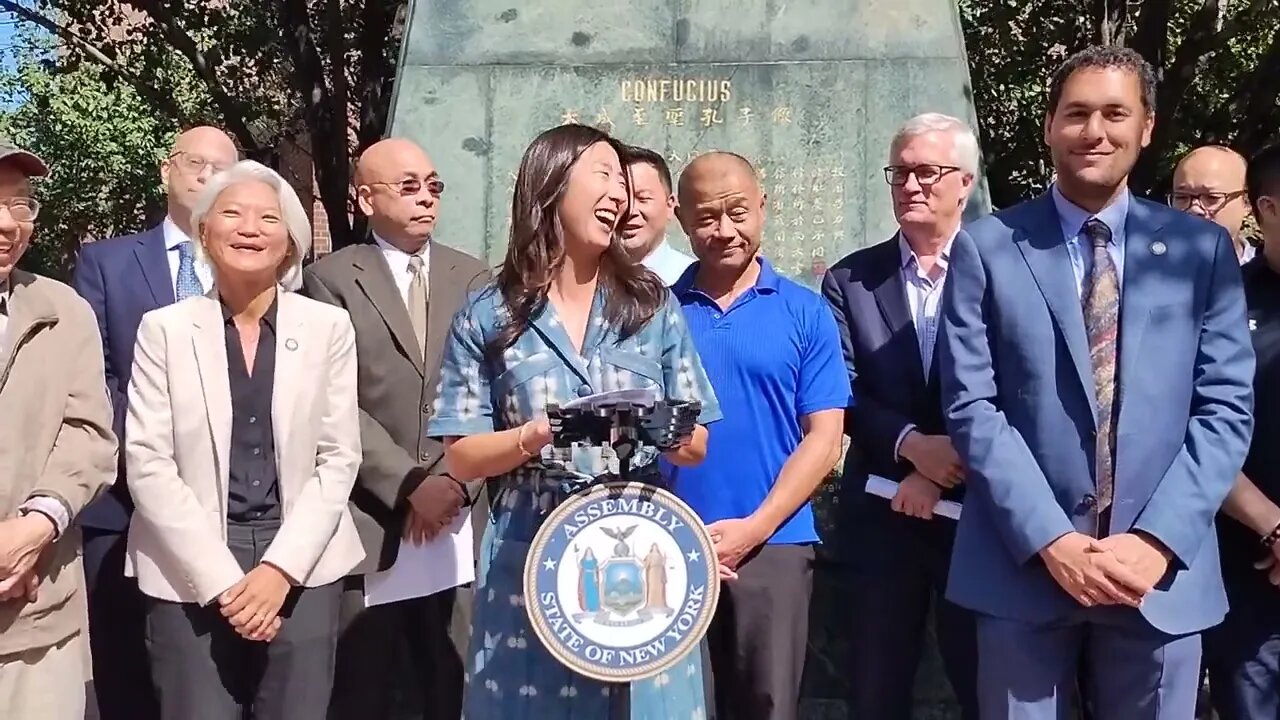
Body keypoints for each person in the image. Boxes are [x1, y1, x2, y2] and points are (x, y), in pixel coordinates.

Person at [938, 46, 1254, 719]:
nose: (1095, 131)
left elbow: (1224, 410)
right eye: (1077, 113)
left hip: (1159, 577)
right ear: (1049, 125)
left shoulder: (1201, 252)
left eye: (1116, 113)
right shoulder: (987, 248)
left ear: (1146, 127)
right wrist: (1053, 542)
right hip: (1023, 568)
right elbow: (972, 407)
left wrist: (1156, 541)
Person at [427, 123, 722, 720]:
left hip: (639, 553)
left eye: (625, 182)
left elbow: (697, 444)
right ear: (551, 186)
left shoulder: (650, 305)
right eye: (604, 174)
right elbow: (460, 454)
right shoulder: (490, 313)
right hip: (528, 553)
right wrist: (531, 436)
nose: (621, 193)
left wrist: (660, 428)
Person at [124, 160, 363, 720]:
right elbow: (147, 462)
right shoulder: (164, 330)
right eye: (231, 214)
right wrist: (224, 582)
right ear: (204, 233)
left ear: (290, 245)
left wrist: (280, 570)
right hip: (189, 565)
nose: (249, 228)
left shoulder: (328, 327)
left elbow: (339, 456)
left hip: (303, 563)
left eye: (268, 218)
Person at [302, 137, 489, 720]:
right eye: (408, 186)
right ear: (364, 198)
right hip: (374, 518)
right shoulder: (329, 279)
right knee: (374, 690)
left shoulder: (474, 276)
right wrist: (410, 486)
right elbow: (334, 399)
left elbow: (490, 390)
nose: (426, 198)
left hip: (462, 517)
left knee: (456, 685)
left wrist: (455, 483)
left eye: (433, 185)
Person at [668, 151, 849, 720]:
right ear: (680, 219)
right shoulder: (654, 313)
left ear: (763, 208)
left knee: (768, 705)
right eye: (706, 217)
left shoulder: (805, 312)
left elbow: (824, 437)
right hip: (667, 544)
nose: (725, 231)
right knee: (673, 707)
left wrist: (756, 528)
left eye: (738, 212)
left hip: (774, 545)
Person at [72, 125, 239, 720]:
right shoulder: (107, 262)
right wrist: (152, 459)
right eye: (196, 163)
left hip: (226, 505)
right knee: (122, 671)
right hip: (121, 502)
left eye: (223, 168)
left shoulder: (249, 269)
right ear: (167, 170)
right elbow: (95, 378)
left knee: (208, 671)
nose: (207, 176)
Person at [821, 113, 980, 720]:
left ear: (964, 181)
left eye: (928, 172)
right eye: (901, 172)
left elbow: (1019, 386)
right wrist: (914, 448)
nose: (912, 185)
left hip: (981, 517)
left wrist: (945, 465)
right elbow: (844, 387)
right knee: (876, 689)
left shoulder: (1006, 267)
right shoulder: (852, 279)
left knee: (988, 686)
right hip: (883, 517)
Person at [0, 139, 116, 719]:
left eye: (20, 205)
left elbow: (89, 433)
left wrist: (35, 526)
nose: (7, 224)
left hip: (36, 612)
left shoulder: (62, 309)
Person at [1204, 142, 1280, 720]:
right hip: (1248, 565)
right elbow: (1198, 429)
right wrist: (1273, 528)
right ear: (1267, 209)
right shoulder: (1222, 302)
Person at [621, 145, 695, 284]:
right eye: (621, 200)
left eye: (643, 198)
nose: (630, 211)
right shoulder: (584, 281)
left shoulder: (693, 280)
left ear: (670, 205)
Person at [1170, 146, 1254, 263]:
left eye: (1212, 198)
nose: (1194, 209)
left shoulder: (1270, 275)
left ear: (1247, 202)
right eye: (1182, 197)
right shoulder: (1145, 269)